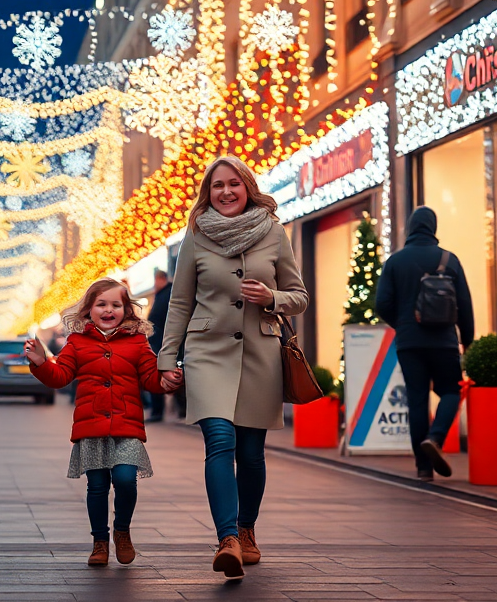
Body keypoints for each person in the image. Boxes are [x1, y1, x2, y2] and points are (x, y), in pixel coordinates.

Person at [157, 156, 308, 579]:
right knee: (219, 440)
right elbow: (180, 302)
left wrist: (272, 297)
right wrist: (167, 358)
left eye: (234, 184)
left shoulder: (274, 232)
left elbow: (299, 295)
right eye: (217, 185)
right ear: (208, 192)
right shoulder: (197, 236)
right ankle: (227, 539)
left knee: (252, 453)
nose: (225, 192)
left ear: (247, 188)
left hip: (260, 353)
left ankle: (247, 529)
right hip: (207, 352)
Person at [25, 278, 172, 567]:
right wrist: (41, 363)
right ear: (89, 310)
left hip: (127, 427)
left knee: (127, 481)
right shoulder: (77, 342)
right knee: (97, 486)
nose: (109, 310)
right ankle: (99, 542)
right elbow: (60, 377)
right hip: (91, 427)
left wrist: (168, 381)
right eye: (101, 304)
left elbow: (151, 379)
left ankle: (122, 532)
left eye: (116, 304)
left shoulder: (138, 342)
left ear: (126, 309)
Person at [374, 206, 475, 482]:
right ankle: (436, 437)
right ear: (433, 227)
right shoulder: (449, 259)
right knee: (451, 392)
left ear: (410, 227)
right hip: (444, 341)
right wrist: (468, 342)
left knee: (417, 399)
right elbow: (464, 305)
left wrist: (403, 324)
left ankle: (423, 467)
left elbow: (381, 303)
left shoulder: (396, 261)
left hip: (410, 343)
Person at [146, 269, 172, 423]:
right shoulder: (161, 294)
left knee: (156, 376)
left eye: (156, 280)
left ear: (161, 279)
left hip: (161, 343)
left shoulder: (166, 294)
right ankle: (157, 410)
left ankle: (158, 411)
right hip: (158, 342)